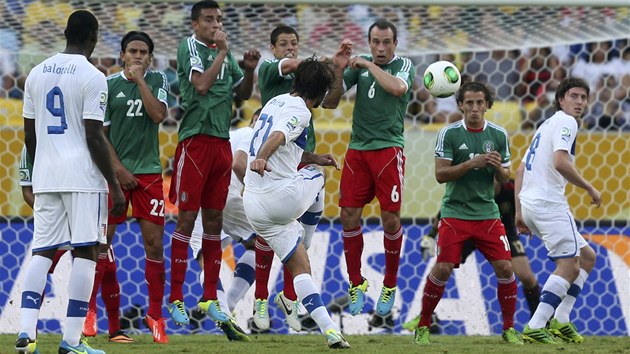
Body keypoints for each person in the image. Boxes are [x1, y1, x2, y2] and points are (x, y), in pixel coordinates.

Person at [15, 10, 125, 354]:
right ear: (93, 36)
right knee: (87, 251)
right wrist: (116, 185)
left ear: (65, 33)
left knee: (43, 251)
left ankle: (24, 333)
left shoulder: (35, 74)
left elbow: (30, 135)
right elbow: (94, 135)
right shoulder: (94, 76)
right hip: (82, 178)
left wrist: (39, 170)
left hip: (46, 175)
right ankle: (72, 342)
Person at [243, 56, 350, 349]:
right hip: (280, 198)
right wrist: (263, 156)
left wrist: (316, 157)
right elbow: (277, 137)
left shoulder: (273, 102)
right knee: (317, 178)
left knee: (301, 267)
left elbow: (286, 150)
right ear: (320, 93)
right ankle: (308, 237)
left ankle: (330, 332)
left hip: (254, 203)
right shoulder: (302, 112)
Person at [167, 0, 260, 328]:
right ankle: (175, 297)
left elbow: (244, 95)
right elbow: (201, 86)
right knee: (187, 220)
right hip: (195, 142)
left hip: (221, 143)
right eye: (208, 19)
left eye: (218, 19)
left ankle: (210, 298)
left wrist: (247, 68)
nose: (215, 24)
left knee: (214, 222)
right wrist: (223, 52)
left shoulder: (225, 54)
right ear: (195, 24)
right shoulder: (190, 47)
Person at [413, 82, 523, 345]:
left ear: (487, 105)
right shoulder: (449, 134)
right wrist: (470, 163)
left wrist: (498, 169)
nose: (475, 108)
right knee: (442, 268)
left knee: (506, 267)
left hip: (487, 214)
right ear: (460, 105)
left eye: (480, 103)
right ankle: (423, 325)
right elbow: (441, 175)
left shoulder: (498, 134)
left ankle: (508, 329)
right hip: (454, 214)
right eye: (469, 103)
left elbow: (505, 175)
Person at [322, 19, 415, 317]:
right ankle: (356, 283)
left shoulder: (403, 65)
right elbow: (330, 102)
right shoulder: (358, 69)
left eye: (386, 42)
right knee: (348, 214)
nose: (381, 47)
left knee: (390, 219)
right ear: (370, 41)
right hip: (358, 151)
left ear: (395, 44)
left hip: (388, 150)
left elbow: (398, 89)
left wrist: (367, 64)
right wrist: (338, 70)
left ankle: (389, 285)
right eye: (376, 41)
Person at [84, 30, 170, 344]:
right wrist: (118, 170)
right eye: (132, 51)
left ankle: (156, 315)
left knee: (155, 246)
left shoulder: (158, 80)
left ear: (149, 57)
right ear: (122, 55)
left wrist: (141, 81)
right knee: (102, 244)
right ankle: (91, 312)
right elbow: (98, 134)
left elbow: (158, 115)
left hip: (148, 175)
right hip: (113, 174)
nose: (137, 56)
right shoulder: (106, 86)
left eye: (143, 52)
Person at [516, 77, 601, 344]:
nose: (579, 102)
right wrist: (589, 187)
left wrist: (520, 212)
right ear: (561, 99)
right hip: (548, 204)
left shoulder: (546, 125)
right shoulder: (566, 122)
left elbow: (519, 170)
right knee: (568, 265)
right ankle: (535, 324)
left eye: (583, 97)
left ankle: (561, 319)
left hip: (531, 203)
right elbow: (560, 161)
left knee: (587, 257)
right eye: (574, 96)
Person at [403, 179, 541, 331]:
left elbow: (525, 205)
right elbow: (446, 210)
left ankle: (538, 322)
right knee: (441, 269)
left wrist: (529, 222)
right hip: (467, 231)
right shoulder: (471, 185)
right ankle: (424, 316)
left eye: (493, 182)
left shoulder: (511, 189)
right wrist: (430, 235)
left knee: (526, 276)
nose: (490, 186)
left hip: (503, 232)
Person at [188, 108, 262, 341]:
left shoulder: (229, 136)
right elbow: (239, 164)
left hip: (196, 190)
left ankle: (221, 310)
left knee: (207, 258)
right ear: (253, 120)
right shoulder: (252, 134)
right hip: (224, 192)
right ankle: (228, 303)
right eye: (261, 119)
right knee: (263, 246)